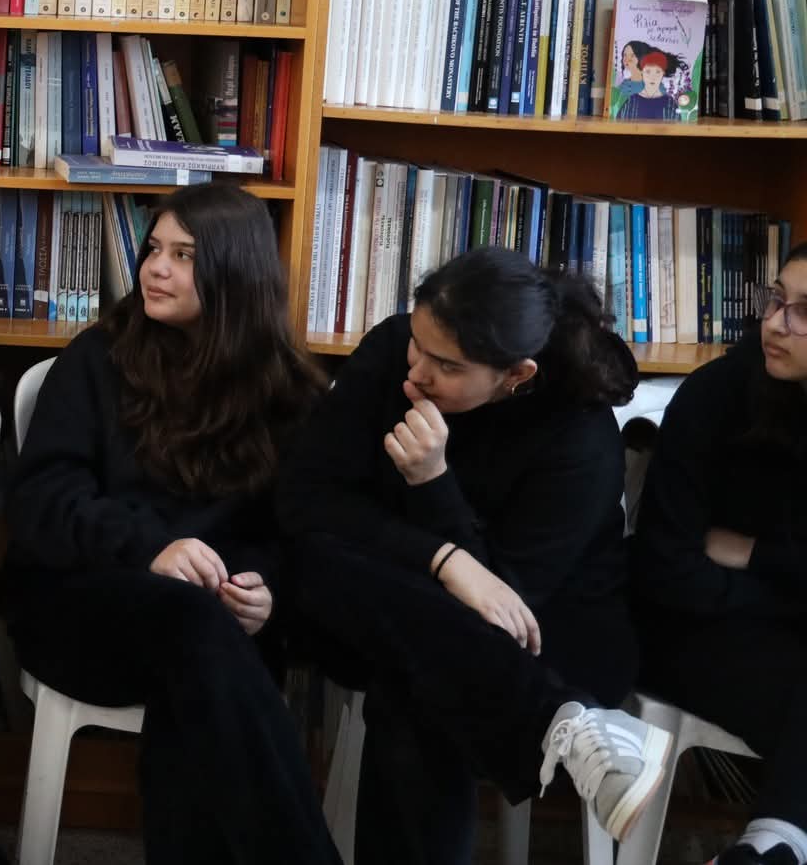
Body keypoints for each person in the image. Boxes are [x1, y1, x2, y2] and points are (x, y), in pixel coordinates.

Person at [278, 245, 670, 865]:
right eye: (418, 344)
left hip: (548, 630)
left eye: (448, 366)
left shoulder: (579, 433)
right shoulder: (393, 351)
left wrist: (433, 484)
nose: (417, 373)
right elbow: (303, 497)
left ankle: (560, 711)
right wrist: (445, 559)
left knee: (416, 691)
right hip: (392, 600)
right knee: (314, 562)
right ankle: (559, 723)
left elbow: (504, 603)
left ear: (516, 374)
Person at [6, 184, 339, 864]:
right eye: (154, 248)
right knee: (198, 636)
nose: (155, 268)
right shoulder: (98, 358)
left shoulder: (286, 391)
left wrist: (267, 589)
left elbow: (303, 533)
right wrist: (151, 548)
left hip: (214, 629)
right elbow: (41, 503)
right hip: (83, 603)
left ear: (234, 271)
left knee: (198, 665)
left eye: (183, 255)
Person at [630, 243, 807, 865]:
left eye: (804, 312)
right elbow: (666, 568)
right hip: (685, 627)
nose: (776, 323)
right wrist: (788, 584)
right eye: (776, 299)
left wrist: (755, 555)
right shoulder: (717, 394)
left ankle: (768, 851)